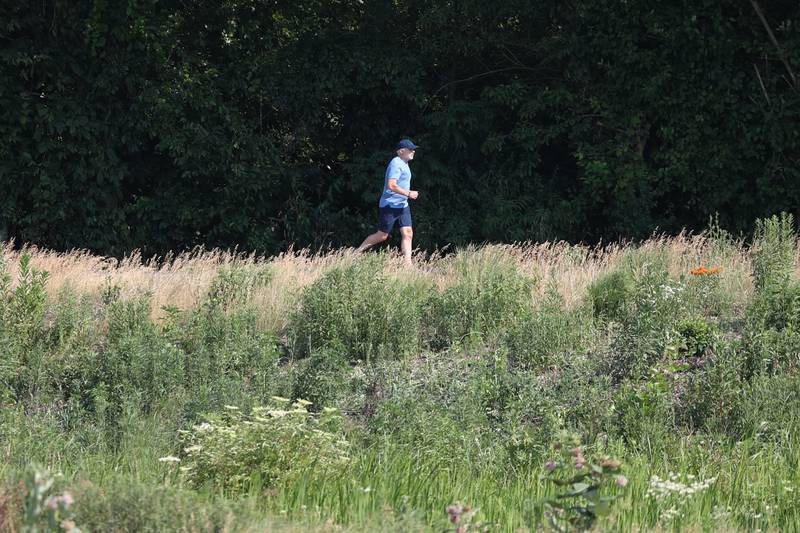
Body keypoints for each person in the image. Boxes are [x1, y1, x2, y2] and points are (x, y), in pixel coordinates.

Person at [356, 139, 420, 267]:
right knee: (382, 235)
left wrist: (406, 197)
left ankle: (408, 266)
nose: (413, 151)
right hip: (390, 205)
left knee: (408, 233)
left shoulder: (404, 162)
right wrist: (409, 193)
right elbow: (391, 185)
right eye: (410, 149)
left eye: (414, 149)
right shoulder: (396, 163)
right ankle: (354, 254)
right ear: (401, 151)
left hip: (402, 205)